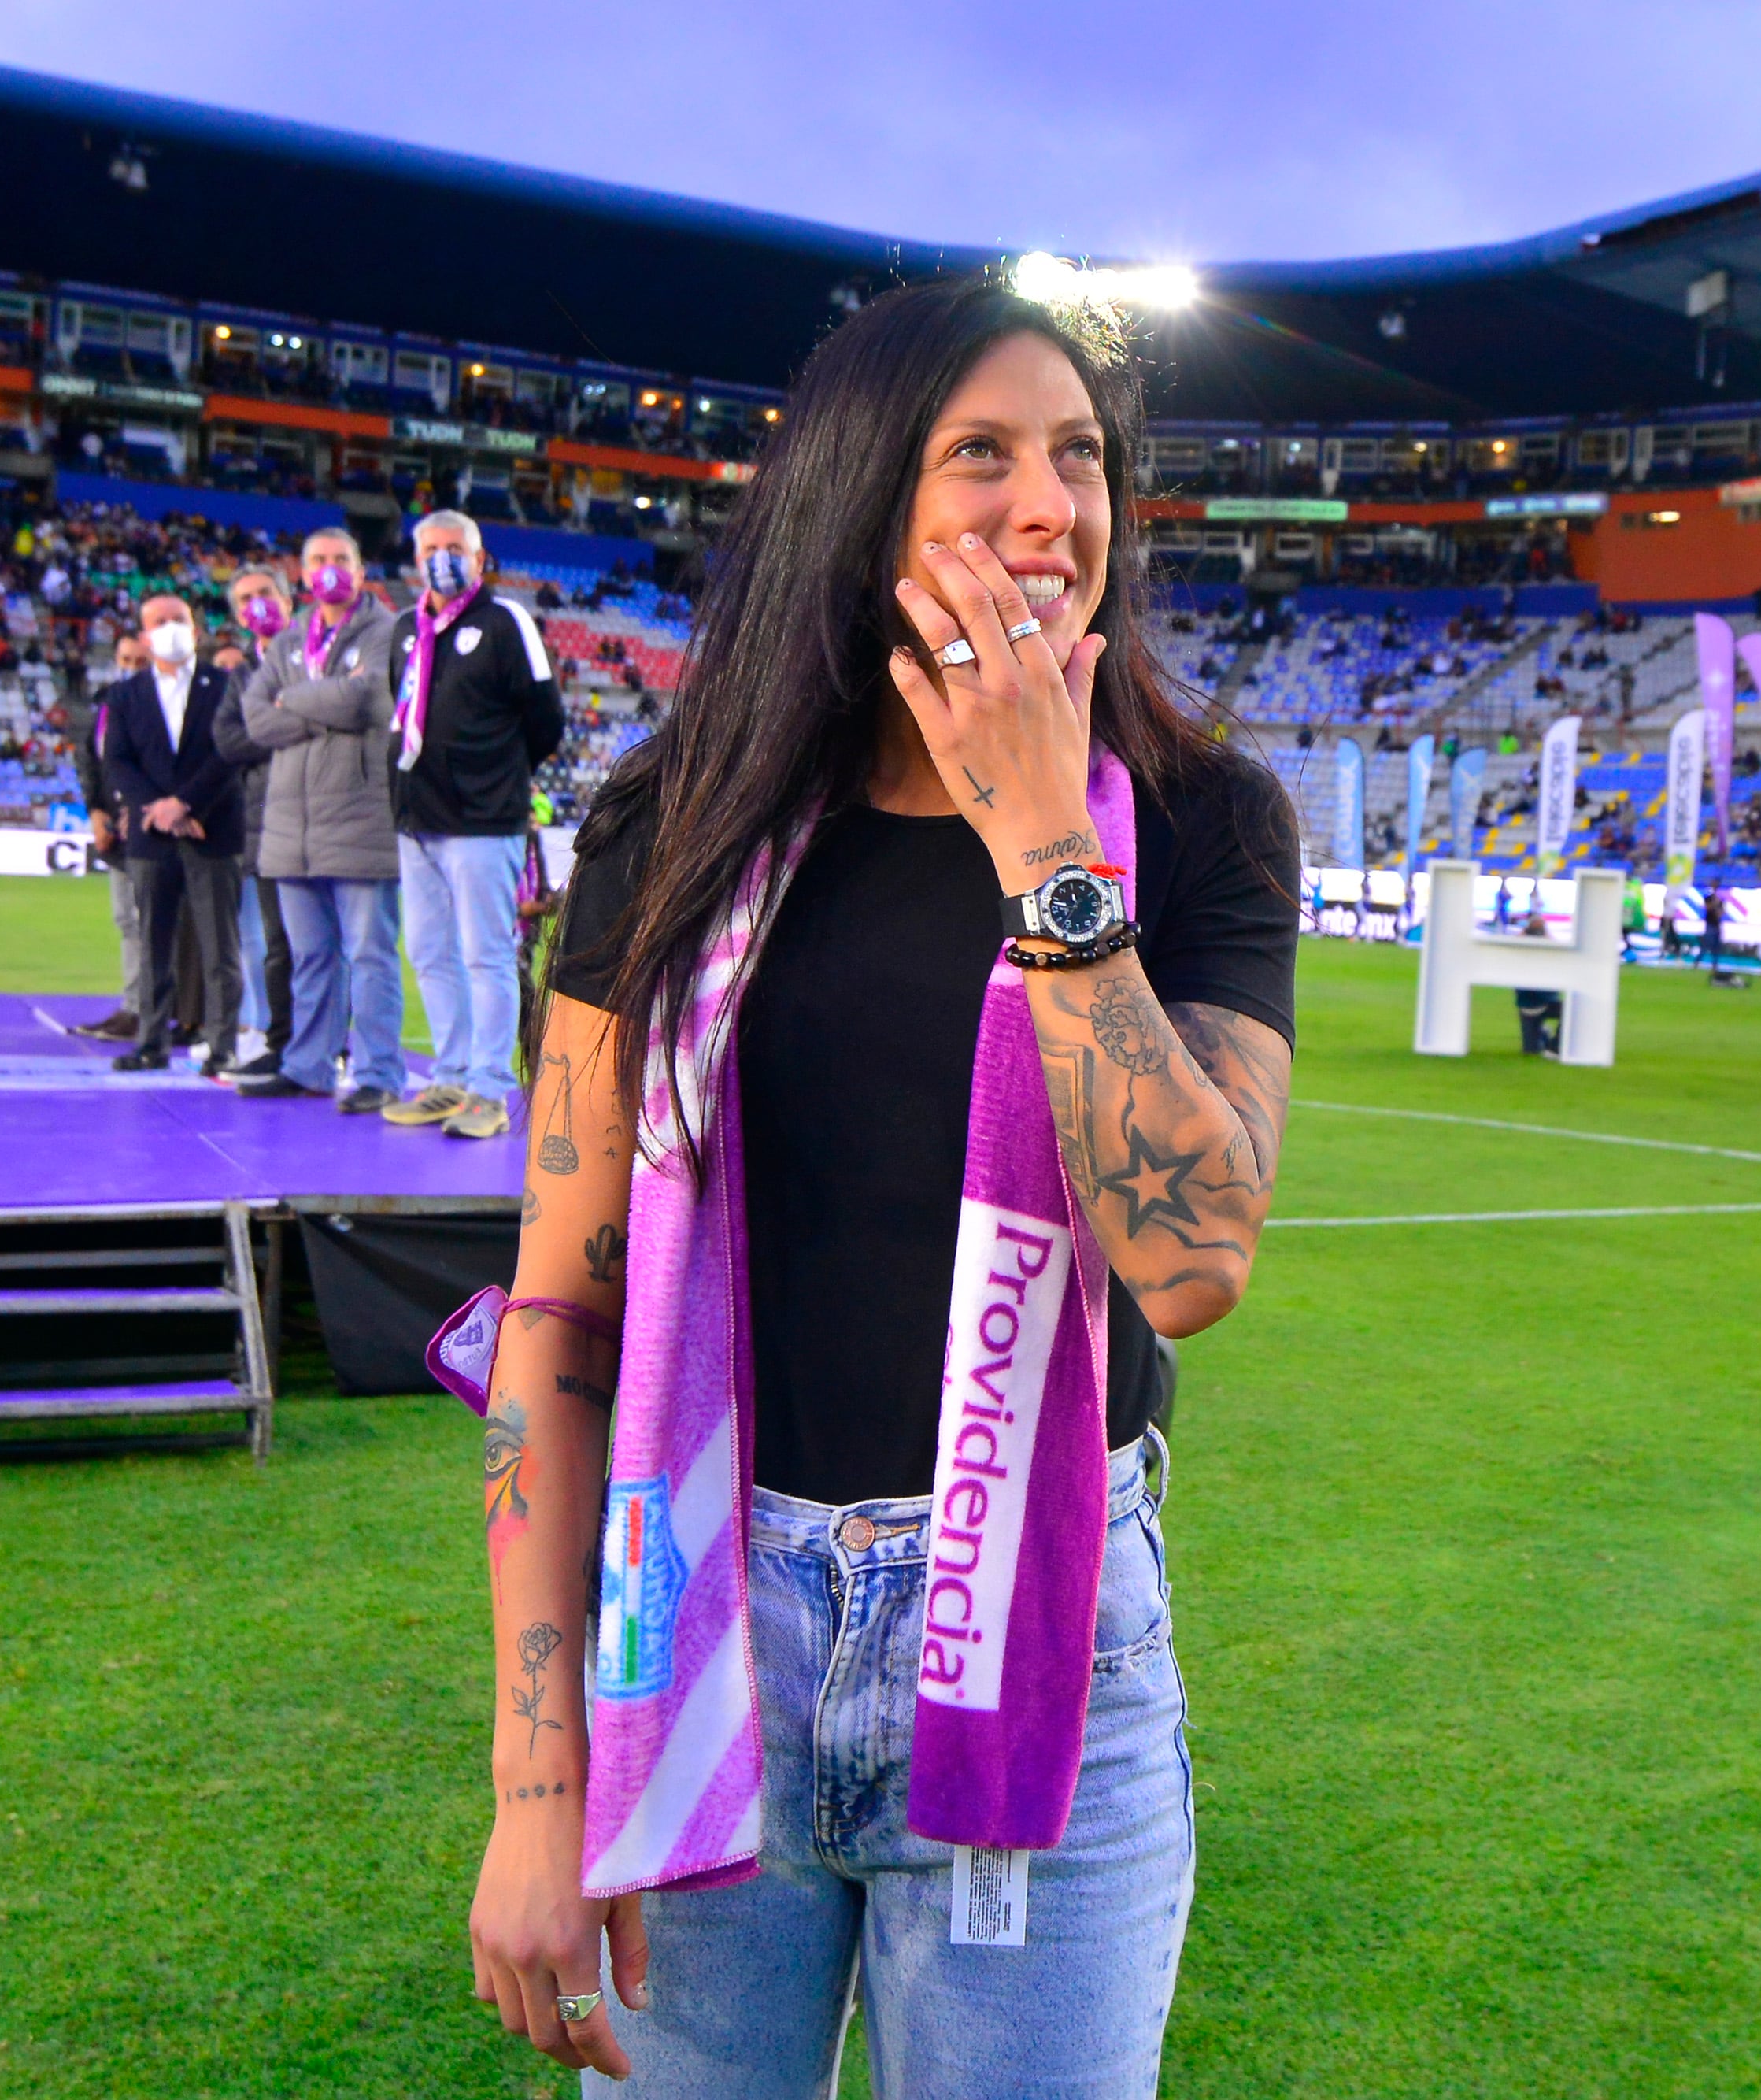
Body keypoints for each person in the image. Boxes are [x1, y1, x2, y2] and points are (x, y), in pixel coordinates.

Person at [464, 277, 1298, 2098]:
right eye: (979, 456)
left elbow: (1191, 1254)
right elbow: (560, 1317)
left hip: (1046, 1643)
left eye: (1077, 458)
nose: (1045, 506)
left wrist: (1039, 841)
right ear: (862, 497)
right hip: (701, 1631)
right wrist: (542, 1790)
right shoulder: (674, 822)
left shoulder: (1200, 824)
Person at [380, 510, 565, 1139]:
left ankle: (489, 1086)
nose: (442, 557)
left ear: (479, 558)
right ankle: (451, 1075)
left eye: (454, 547)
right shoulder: (408, 629)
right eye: (431, 547)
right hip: (417, 821)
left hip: (484, 822)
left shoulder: (504, 621)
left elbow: (547, 720)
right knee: (431, 953)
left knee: (485, 955)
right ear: (415, 558)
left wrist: (495, 778)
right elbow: (404, 713)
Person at [236, 530, 406, 1109]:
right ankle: (308, 1065)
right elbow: (257, 719)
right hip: (291, 827)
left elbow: (367, 704)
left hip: (360, 818)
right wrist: (324, 706)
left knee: (370, 954)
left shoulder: (386, 631)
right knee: (310, 957)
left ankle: (381, 1072)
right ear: (303, 573)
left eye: (341, 560)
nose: (329, 570)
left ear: (360, 571)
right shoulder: (287, 640)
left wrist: (296, 701)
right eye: (318, 562)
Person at [99, 594, 245, 1075]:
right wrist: (159, 809)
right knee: (153, 943)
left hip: (213, 829)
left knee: (219, 946)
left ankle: (221, 1044)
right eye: (159, 622)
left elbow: (229, 755)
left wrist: (185, 804)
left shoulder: (226, 687)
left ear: (196, 630)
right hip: (150, 836)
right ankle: (151, 1041)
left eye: (178, 620)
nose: (170, 629)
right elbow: (117, 762)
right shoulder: (123, 696)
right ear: (144, 636)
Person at [212, 563, 299, 1080]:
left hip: (324, 819)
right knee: (278, 946)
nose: (257, 605)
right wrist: (298, 724)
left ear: (288, 600)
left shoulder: (319, 658)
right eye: (246, 599)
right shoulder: (244, 674)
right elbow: (226, 741)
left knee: (332, 946)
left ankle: (332, 1048)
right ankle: (283, 1045)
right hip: (266, 825)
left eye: (265, 593)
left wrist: (266, 727)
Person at [66, 633, 151, 1043]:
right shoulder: (106, 704)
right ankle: (135, 1007)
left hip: (152, 830)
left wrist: (135, 807)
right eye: (126, 659)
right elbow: (89, 761)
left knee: (149, 922)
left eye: (140, 660)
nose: (131, 666)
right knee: (127, 920)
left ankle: (151, 1010)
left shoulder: (163, 705)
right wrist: (96, 812)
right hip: (117, 836)